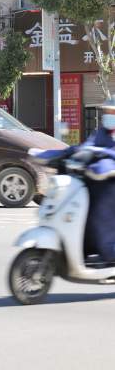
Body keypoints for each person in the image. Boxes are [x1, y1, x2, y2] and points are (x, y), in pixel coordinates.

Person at [82, 99, 115, 262]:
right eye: (107, 112)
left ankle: (109, 251)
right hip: (97, 181)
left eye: (112, 113)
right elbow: (87, 146)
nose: (108, 116)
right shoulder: (100, 132)